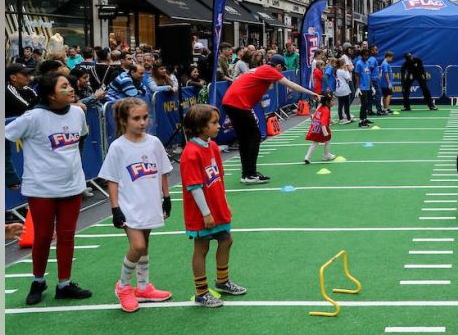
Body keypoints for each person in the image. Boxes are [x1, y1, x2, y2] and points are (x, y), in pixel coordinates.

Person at [4, 72, 93, 304]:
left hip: (72, 187)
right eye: (64, 86)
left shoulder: (77, 113)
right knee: (42, 236)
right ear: (51, 95)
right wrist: (8, 174)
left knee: (67, 236)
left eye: (70, 85)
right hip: (41, 188)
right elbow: (5, 136)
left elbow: (81, 137)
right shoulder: (32, 118)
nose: (71, 89)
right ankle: (38, 281)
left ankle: (64, 284)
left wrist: (75, 167)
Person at [100, 98, 173, 313]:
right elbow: (111, 179)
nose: (142, 122)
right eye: (136, 118)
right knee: (138, 246)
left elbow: (162, 171)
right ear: (124, 120)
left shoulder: (154, 142)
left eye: (145, 117)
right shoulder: (118, 147)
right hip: (128, 206)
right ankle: (123, 286)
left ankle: (143, 287)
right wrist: (115, 209)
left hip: (149, 203)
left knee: (146, 244)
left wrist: (166, 198)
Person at [179, 104, 245, 308]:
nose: (219, 126)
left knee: (226, 239)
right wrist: (206, 213)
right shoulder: (191, 153)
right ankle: (201, 292)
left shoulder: (213, 147)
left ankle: (223, 281)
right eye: (214, 122)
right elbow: (195, 187)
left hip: (217, 206)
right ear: (200, 126)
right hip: (201, 212)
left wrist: (224, 203)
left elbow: (219, 178)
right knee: (202, 247)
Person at [222, 53, 317, 184]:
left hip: (230, 101)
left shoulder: (262, 68)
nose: (282, 71)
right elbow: (291, 85)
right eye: (282, 68)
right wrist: (313, 93)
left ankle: (246, 174)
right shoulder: (270, 70)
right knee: (254, 136)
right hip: (238, 103)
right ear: (278, 66)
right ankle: (250, 174)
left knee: (245, 139)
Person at [303, 92, 337, 164]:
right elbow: (323, 122)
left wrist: (330, 121)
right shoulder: (326, 110)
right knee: (327, 140)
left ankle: (307, 157)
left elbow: (315, 116)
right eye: (332, 100)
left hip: (316, 127)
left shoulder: (320, 107)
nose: (333, 102)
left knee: (315, 142)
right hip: (321, 128)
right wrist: (325, 133)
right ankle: (326, 155)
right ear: (327, 102)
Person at [355, 48, 375, 128]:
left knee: (366, 103)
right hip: (362, 87)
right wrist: (357, 87)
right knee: (364, 104)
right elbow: (357, 75)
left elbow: (369, 75)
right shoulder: (359, 63)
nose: (366, 57)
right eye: (365, 55)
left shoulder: (367, 63)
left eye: (367, 55)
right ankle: (361, 121)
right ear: (362, 55)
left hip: (367, 86)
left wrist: (372, 86)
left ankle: (365, 118)